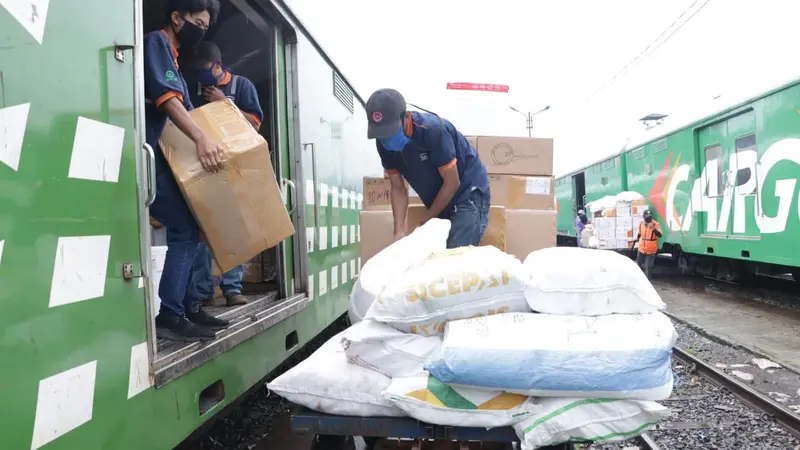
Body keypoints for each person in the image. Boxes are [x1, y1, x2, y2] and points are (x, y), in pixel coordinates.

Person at [144, 0, 229, 342]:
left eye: (206, 27)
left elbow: (190, 110)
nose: (201, 30)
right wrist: (201, 141)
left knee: (194, 224)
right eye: (197, 22)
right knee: (184, 227)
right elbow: (169, 100)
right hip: (148, 158)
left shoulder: (176, 60)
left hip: (162, 158)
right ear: (177, 18)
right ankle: (171, 314)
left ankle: (189, 306)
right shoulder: (157, 43)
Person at [183, 41, 265, 307]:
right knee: (201, 230)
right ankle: (203, 290)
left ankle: (232, 288)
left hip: (234, 165)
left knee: (234, 229)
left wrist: (224, 104)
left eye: (206, 70)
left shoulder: (241, 86)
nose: (202, 76)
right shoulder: (194, 89)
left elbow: (255, 124)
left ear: (218, 66)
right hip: (204, 165)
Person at [366, 88, 491, 248]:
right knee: (432, 254)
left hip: (467, 192)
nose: (386, 139)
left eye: (391, 132)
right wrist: (399, 232)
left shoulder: (433, 131)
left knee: (456, 252)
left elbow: (452, 183)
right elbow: (397, 188)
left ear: (405, 117)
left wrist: (424, 221)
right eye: (381, 134)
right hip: (439, 196)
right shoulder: (383, 144)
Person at [636, 209, 662, 279]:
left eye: (649, 217)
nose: (648, 218)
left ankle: (648, 280)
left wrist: (653, 229)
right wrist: (637, 238)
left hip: (651, 249)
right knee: (638, 265)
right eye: (647, 217)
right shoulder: (641, 223)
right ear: (643, 217)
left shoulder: (655, 224)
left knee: (648, 266)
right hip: (641, 248)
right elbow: (639, 233)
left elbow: (660, 235)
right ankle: (638, 279)